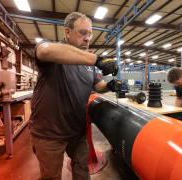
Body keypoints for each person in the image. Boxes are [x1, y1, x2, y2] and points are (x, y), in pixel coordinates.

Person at [29, 12, 122, 180]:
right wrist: (96, 59)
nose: (87, 38)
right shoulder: (55, 52)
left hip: (76, 131)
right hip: (49, 133)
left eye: (90, 34)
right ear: (67, 32)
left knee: (81, 168)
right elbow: (43, 50)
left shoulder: (88, 64)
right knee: (51, 176)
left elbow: (96, 85)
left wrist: (108, 86)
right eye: (82, 33)